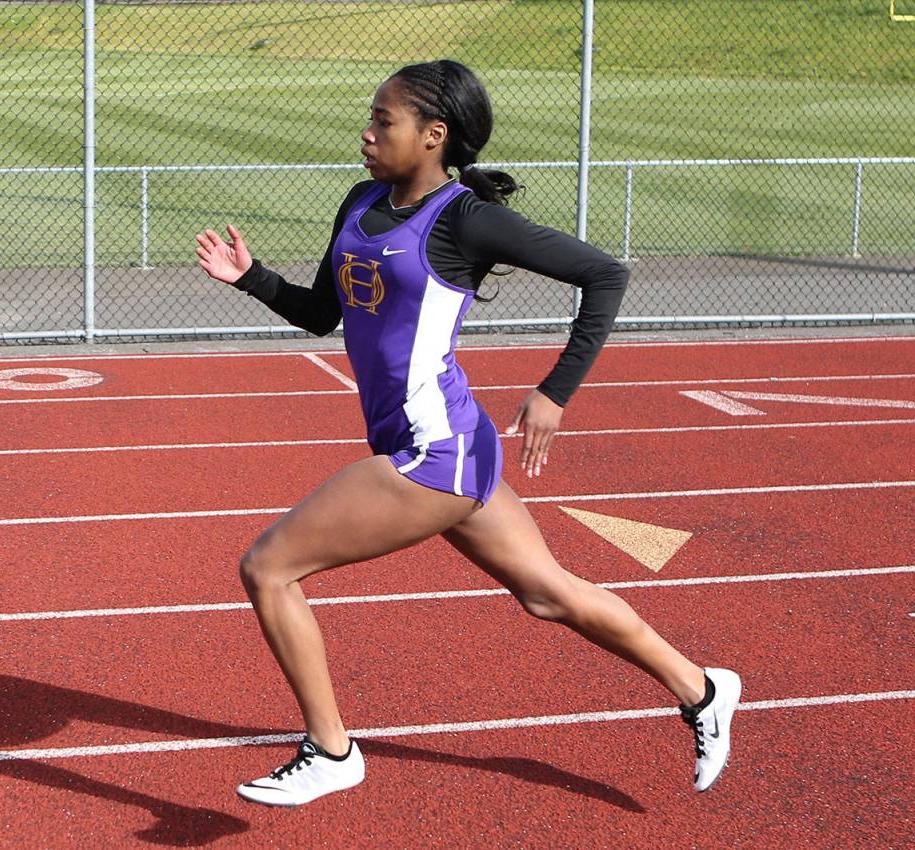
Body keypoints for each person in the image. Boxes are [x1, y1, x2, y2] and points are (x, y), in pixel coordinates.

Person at [195, 59, 741, 808]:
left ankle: (331, 750)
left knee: (268, 568)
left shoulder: (465, 218)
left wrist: (555, 391)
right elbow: (325, 312)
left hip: (436, 450)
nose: (367, 130)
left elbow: (604, 276)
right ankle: (703, 687)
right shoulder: (359, 201)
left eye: (384, 121)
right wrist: (252, 278)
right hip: (445, 439)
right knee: (549, 595)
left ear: (432, 136)